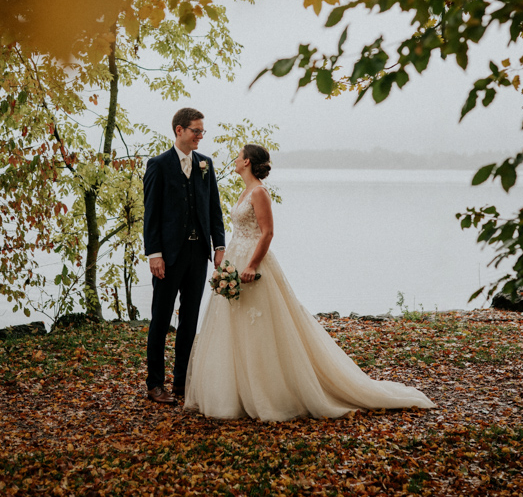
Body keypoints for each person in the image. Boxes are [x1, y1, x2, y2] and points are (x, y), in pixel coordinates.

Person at [185, 143, 435, 420]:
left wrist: (252, 265)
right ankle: (238, 392)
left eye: (239, 155)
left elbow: (267, 233)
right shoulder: (245, 191)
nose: (235, 159)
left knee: (262, 329)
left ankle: (271, 392)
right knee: (236, 325)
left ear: (247, 162)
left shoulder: (259, 193)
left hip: (253, 264)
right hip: (236, 257)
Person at [143, 107, 225, 404]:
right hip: (168, 256)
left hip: (197, 254)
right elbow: (151, 214)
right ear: (179, 130)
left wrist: (219, 246)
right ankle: (155, 385)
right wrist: (154, 254)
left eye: (202, 131)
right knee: (161, 320)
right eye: (196, 131)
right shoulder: (159, 165)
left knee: (189, 320)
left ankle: (181, 382)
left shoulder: (206, 164)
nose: (200, 136)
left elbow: (213, 208)